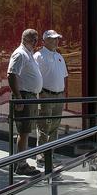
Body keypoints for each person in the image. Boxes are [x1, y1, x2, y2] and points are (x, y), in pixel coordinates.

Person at [7, 28, 43, 176]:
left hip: (30, 96)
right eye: (35, 39)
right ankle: (20, 164)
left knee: (26, 131)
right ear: (29, 39)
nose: (36, 42)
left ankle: (21, 162)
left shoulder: (28, 54)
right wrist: (18, 96)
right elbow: (11, 74)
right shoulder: (20, 54)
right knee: (24, 131)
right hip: (24, 96)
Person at [34, 29, 68, 168]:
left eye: (57, 38)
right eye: (53, 38)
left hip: (59, 95)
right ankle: (41, 157)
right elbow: (35, 77)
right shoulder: (38, 56)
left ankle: (50, 155)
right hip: (45, 95)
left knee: (55, 126)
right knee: (44, 126)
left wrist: (63, 93)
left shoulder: (59, 56)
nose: (56, 41)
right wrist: (40, 93)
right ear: (45, 40)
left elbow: (64, 76)